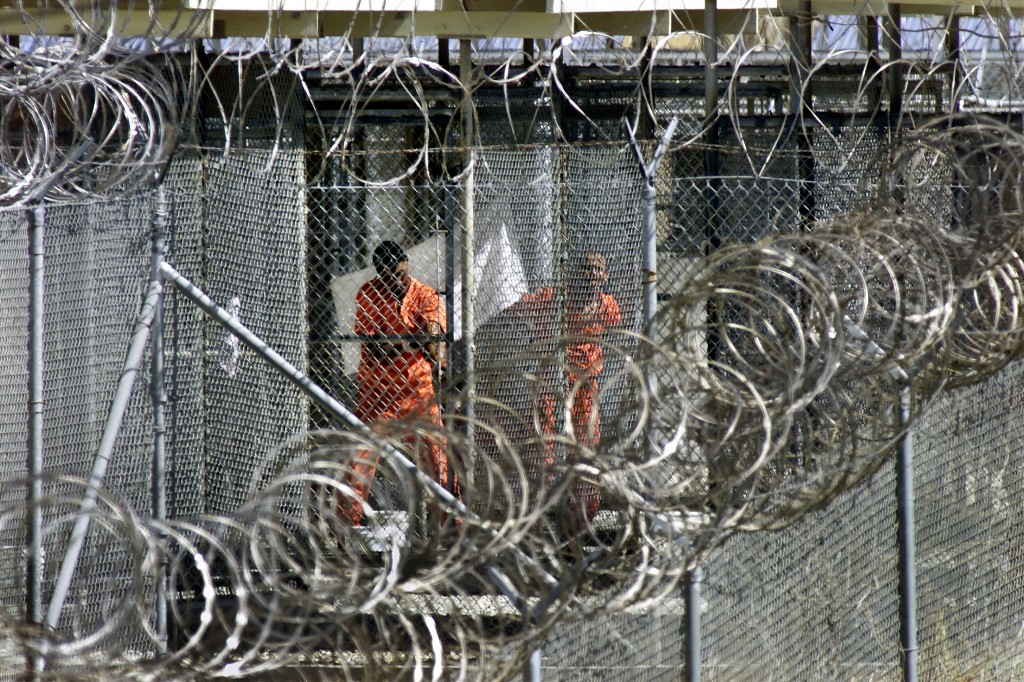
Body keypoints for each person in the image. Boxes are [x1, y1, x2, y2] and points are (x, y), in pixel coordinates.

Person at [339, 240, 453, 526]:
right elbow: (379, 351)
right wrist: (417, 339)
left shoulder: (425, 295)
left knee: (439, 465)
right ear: (379, 274)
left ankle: (452, 530)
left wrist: (421, 344)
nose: (398, 282)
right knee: (359, 462)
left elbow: (434, 342)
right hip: (377, 394)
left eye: (401, 274)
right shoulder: (368, 295)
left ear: (407, 266)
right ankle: (345, 529)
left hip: (418, 394)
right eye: (390, 277)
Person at [509, 251, 622, 525]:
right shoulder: (553, 298)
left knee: (586, 448)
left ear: (605, 277)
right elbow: (517, 309)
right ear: (575, 273)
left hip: (585, 385)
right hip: (552, 379)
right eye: (587, 268)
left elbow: (614, 324)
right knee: (543, 445)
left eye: (598, 270)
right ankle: (537, 513)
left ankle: (582, 515)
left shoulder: (607, 306)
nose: (593, 275)